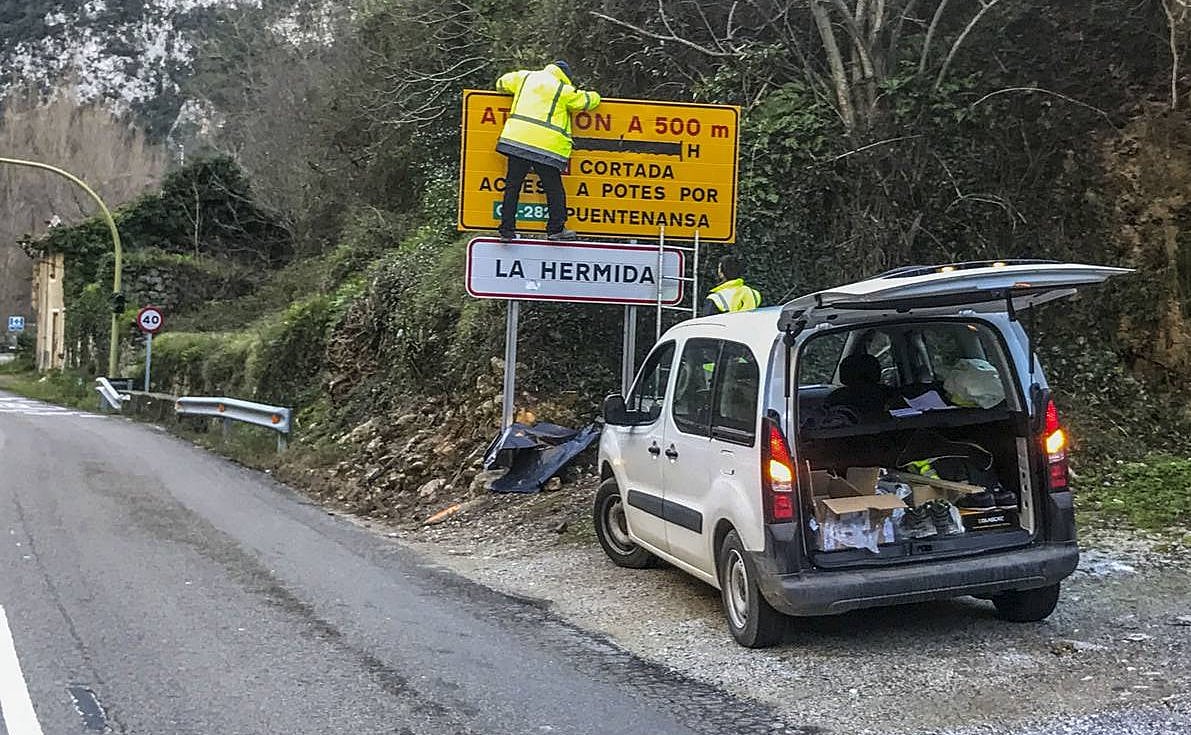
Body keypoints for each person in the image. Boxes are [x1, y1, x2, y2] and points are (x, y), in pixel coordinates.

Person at [495, 60, 601, 242]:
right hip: (545, 147)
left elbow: (502, 83)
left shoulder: (525, 76)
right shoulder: (563, 89)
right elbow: (588, 101)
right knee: (553, 188)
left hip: (516, 141)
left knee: (513, 185)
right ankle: (555, 229)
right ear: (565, 75)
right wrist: (596, 94)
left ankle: (506, 230)